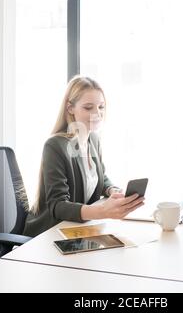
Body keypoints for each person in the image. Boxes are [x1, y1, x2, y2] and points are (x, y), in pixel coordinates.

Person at [23, 76, 145, 237]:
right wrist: (102, 211)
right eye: (88, 108)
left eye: (101, 107)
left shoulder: (93, 139)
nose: (97, 114)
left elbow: (98, 176)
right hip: (49, 232)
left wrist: (112, 190)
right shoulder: (55, 146)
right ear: (70, 108)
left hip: (76, 230)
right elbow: (57, 205)